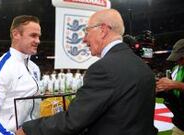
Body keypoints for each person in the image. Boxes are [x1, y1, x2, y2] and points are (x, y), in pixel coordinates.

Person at [16, 9, 156, 135]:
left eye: (87, 31)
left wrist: (30, 129)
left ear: (103, 30)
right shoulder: (142, 66)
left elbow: (73, 121)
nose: (84, 39)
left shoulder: (103, 68)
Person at [0, 15, 41, 135]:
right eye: (33, 35)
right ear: (16, 34)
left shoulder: (34, 68)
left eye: (38, 36)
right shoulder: (2, 69)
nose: (38, 41)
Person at [156, 39, 184, 135]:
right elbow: (175, 94)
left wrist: (177, 85)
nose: (178, 61)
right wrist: (161, 89)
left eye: (181, 58)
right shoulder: (176, 69)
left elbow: (177, 86)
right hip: (180, 123)